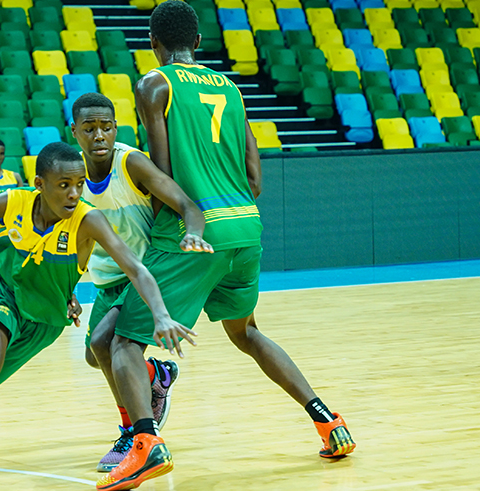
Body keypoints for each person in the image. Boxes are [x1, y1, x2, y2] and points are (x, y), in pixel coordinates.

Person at [96, 2, 356, 490]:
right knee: (247, 333)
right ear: (198, 42)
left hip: (193, 233)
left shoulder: (155, 84)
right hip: (245, 227)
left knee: (122, 343)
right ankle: (328, 421)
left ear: (153, 43)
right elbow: (255, 178)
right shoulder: (231, 88)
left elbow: (163, 176)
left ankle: (145, 444)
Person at [0, 142, 197, 491]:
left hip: (45, 321)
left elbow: (136, 269)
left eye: (79, 184)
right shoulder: (12, 202)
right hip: (3, 298)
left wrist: (161, 315)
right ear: (40, 184)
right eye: (64, 185)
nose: (74, 193)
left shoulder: (88, 219)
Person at [70, 92, 213, 472]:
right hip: (107, 279)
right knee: (94, 356)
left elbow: (187, 204)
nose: (99, 135)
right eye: (89, 128)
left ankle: (133, 433)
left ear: (116, 128)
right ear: (75, 132)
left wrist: (193, 233)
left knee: (103, 342)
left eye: (106, 127)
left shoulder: (130, 162)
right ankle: (156, 375)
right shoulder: (73, 175)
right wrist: (69, 288)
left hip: (144, 272)